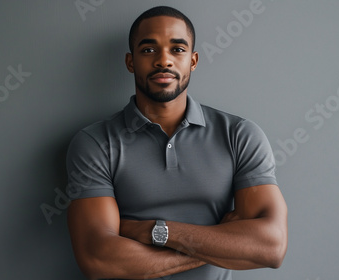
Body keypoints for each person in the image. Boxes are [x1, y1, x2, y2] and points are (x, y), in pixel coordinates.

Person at [66, 6, 287, 280]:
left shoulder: (240, 135)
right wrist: (225, 243)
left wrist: (155, 231)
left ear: (192, 61)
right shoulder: (95, 143)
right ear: (130, 61)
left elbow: (271, 248)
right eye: (148, 50)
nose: (163, 61)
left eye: (177, 49)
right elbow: (98, 260)